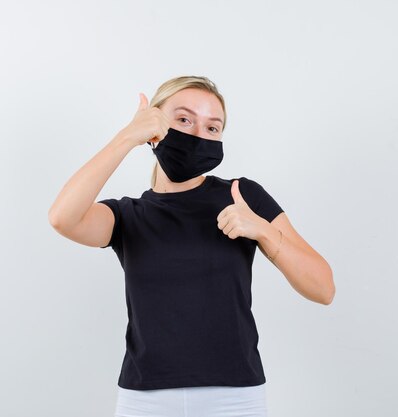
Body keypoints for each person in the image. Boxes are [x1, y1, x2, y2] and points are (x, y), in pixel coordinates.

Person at [49, 75, 335, 417]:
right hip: (146, 399)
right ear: (153, 125)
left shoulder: (242, 197)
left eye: (213, 128)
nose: (199, 134)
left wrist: (263, 231)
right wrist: (127, 137)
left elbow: (323, 288)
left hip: (235, 397)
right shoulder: (127, 216)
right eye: (184, 119)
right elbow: (62, 218)